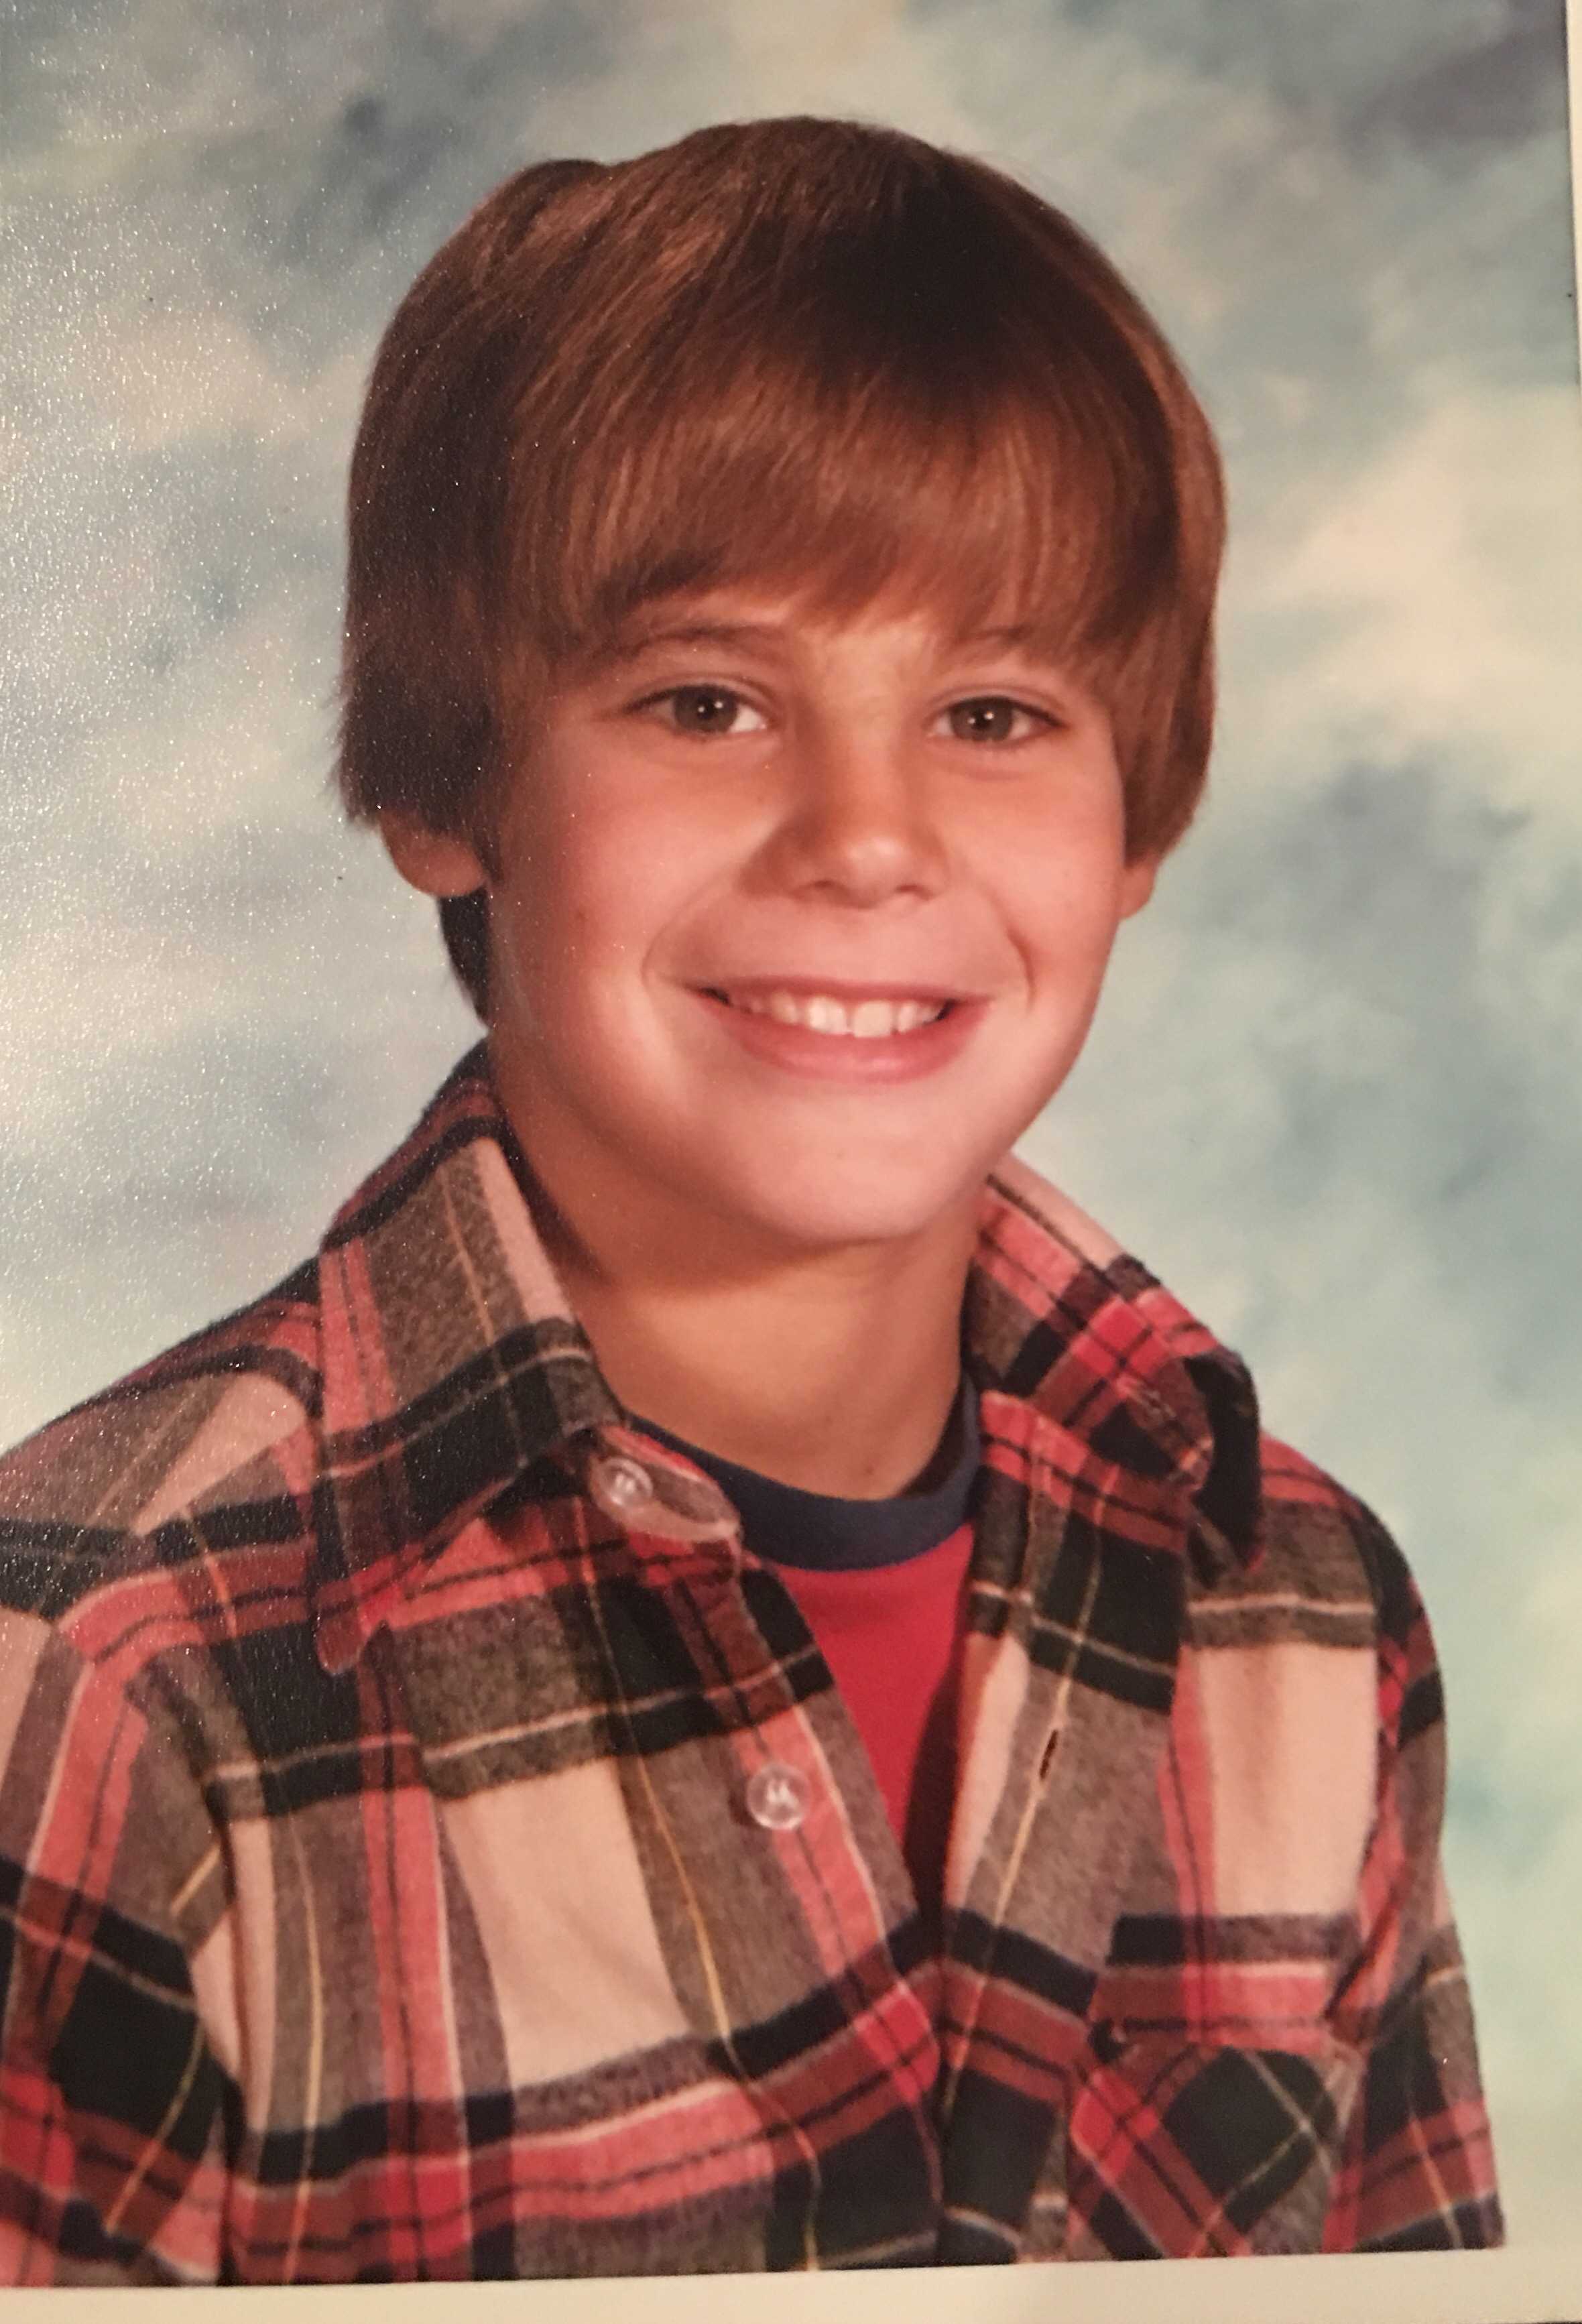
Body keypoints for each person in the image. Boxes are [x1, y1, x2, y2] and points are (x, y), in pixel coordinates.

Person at [0, 116, 1500, 2282]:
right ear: (445, 781)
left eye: (993, 710)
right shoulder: (107, 1669)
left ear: (1139, 825)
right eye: (708, 701)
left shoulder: (1303, 1615)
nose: (867, 838)